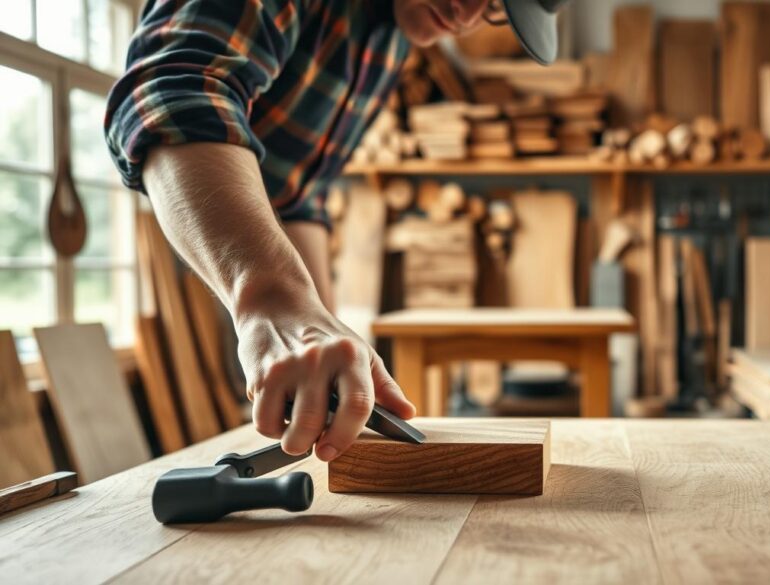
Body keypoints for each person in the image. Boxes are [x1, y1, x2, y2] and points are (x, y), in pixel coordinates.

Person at [104, 0, 569, 462]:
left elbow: (299, 192)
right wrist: (271, 297)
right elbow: (172, 94)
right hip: (206, 230)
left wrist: (320, 330)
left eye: (493, 9)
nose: (467, 15)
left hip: (258, 257)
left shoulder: (393, 38)